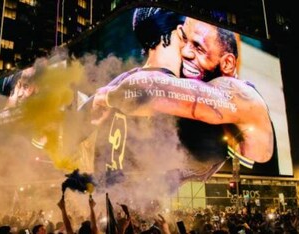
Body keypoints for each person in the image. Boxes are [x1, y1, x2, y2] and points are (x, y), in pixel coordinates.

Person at [89, 8, 274, 188]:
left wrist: (107, 97)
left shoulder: (239, 94)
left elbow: (150, 89)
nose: (185, 51)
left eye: (198, 47)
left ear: (227, 63)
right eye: (184, 40)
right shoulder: (196, 94)